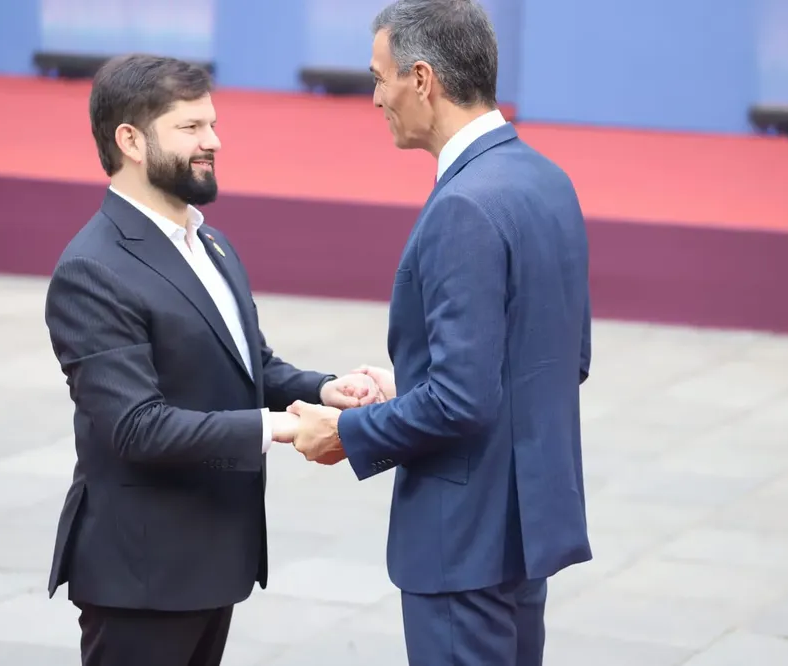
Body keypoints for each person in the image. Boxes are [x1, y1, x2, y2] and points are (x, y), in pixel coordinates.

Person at [42, 54, 377, 666]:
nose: (214, 142)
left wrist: (325, 390)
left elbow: (250, 365)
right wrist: (279, 427)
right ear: (130, 140)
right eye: (191, 128)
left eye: (213, 125)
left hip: (210, 563)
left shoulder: (209, 241)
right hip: (141, 578)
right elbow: (134, 426)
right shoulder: (92, 269)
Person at [285, 1, 593, 664]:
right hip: (519, 531)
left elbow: (462, 399)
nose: (374, 98)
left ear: (422, 79)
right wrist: (413, 383)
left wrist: (346, 434)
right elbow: (556, 357)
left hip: (462, 541)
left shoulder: (463, 205)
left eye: (380, 76)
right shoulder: (547, 180)